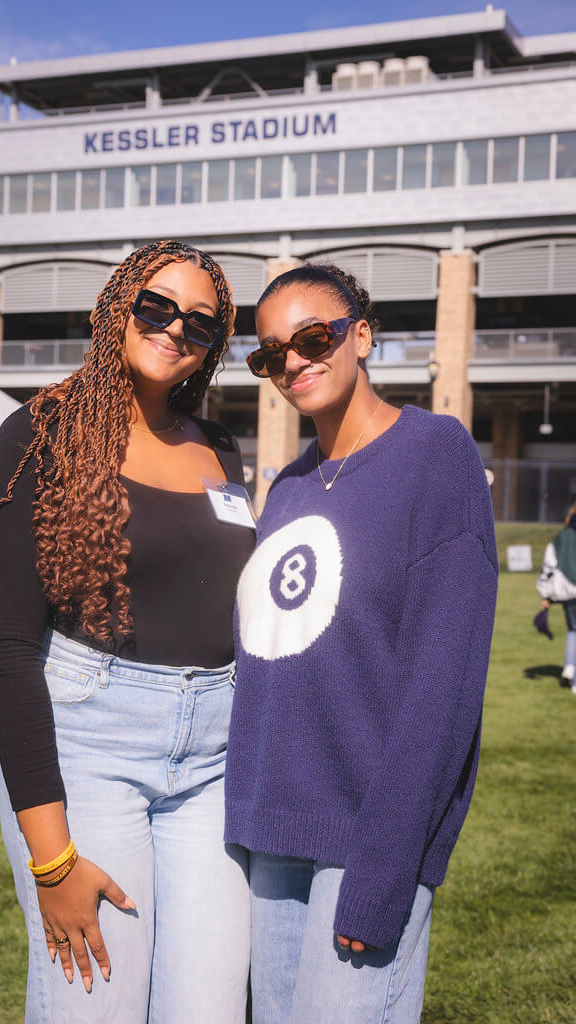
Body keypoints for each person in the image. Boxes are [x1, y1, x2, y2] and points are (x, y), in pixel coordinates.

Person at [0, 241, 254, 1024]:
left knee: (211, 1010)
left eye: (199, 322)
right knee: (96, 1006)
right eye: (156, 306)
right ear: (115, 308)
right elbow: (6, 651)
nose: (174, 329)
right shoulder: (42, 433)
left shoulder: (220, 446)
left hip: (213, 760)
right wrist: (53, 862)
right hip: (90, 742)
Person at [224, 264, 498, 1023]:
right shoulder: (288, 487)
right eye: (271, 352)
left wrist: (384, 869)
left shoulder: (434, 454)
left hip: (364, 843)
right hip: (265, 840)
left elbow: (441, 692)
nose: (294, 361)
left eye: (313, 337)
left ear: (362, 336)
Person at [537, 503, 576, 692]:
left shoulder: (561, 538)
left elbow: (549, 566)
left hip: (567, 592)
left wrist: (545, 594)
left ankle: (569, 668)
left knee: (573, 629)